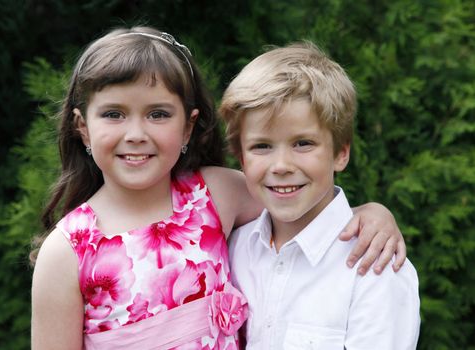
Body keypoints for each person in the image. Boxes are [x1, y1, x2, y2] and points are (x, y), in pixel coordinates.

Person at [31, 26, 407, 349]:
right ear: (82, 127)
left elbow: (304, 206)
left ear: (188, 127)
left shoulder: (214, 195)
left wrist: (371, 214)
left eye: (158, 114)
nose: (136, 134)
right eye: (113, 114)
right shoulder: (66, 253)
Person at [222, 41, 420, 349]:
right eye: (261, 146)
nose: (282, 166)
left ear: (341, 153)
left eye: (303, 143)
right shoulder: (232, 249)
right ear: (240, 157)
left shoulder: (374, 267)